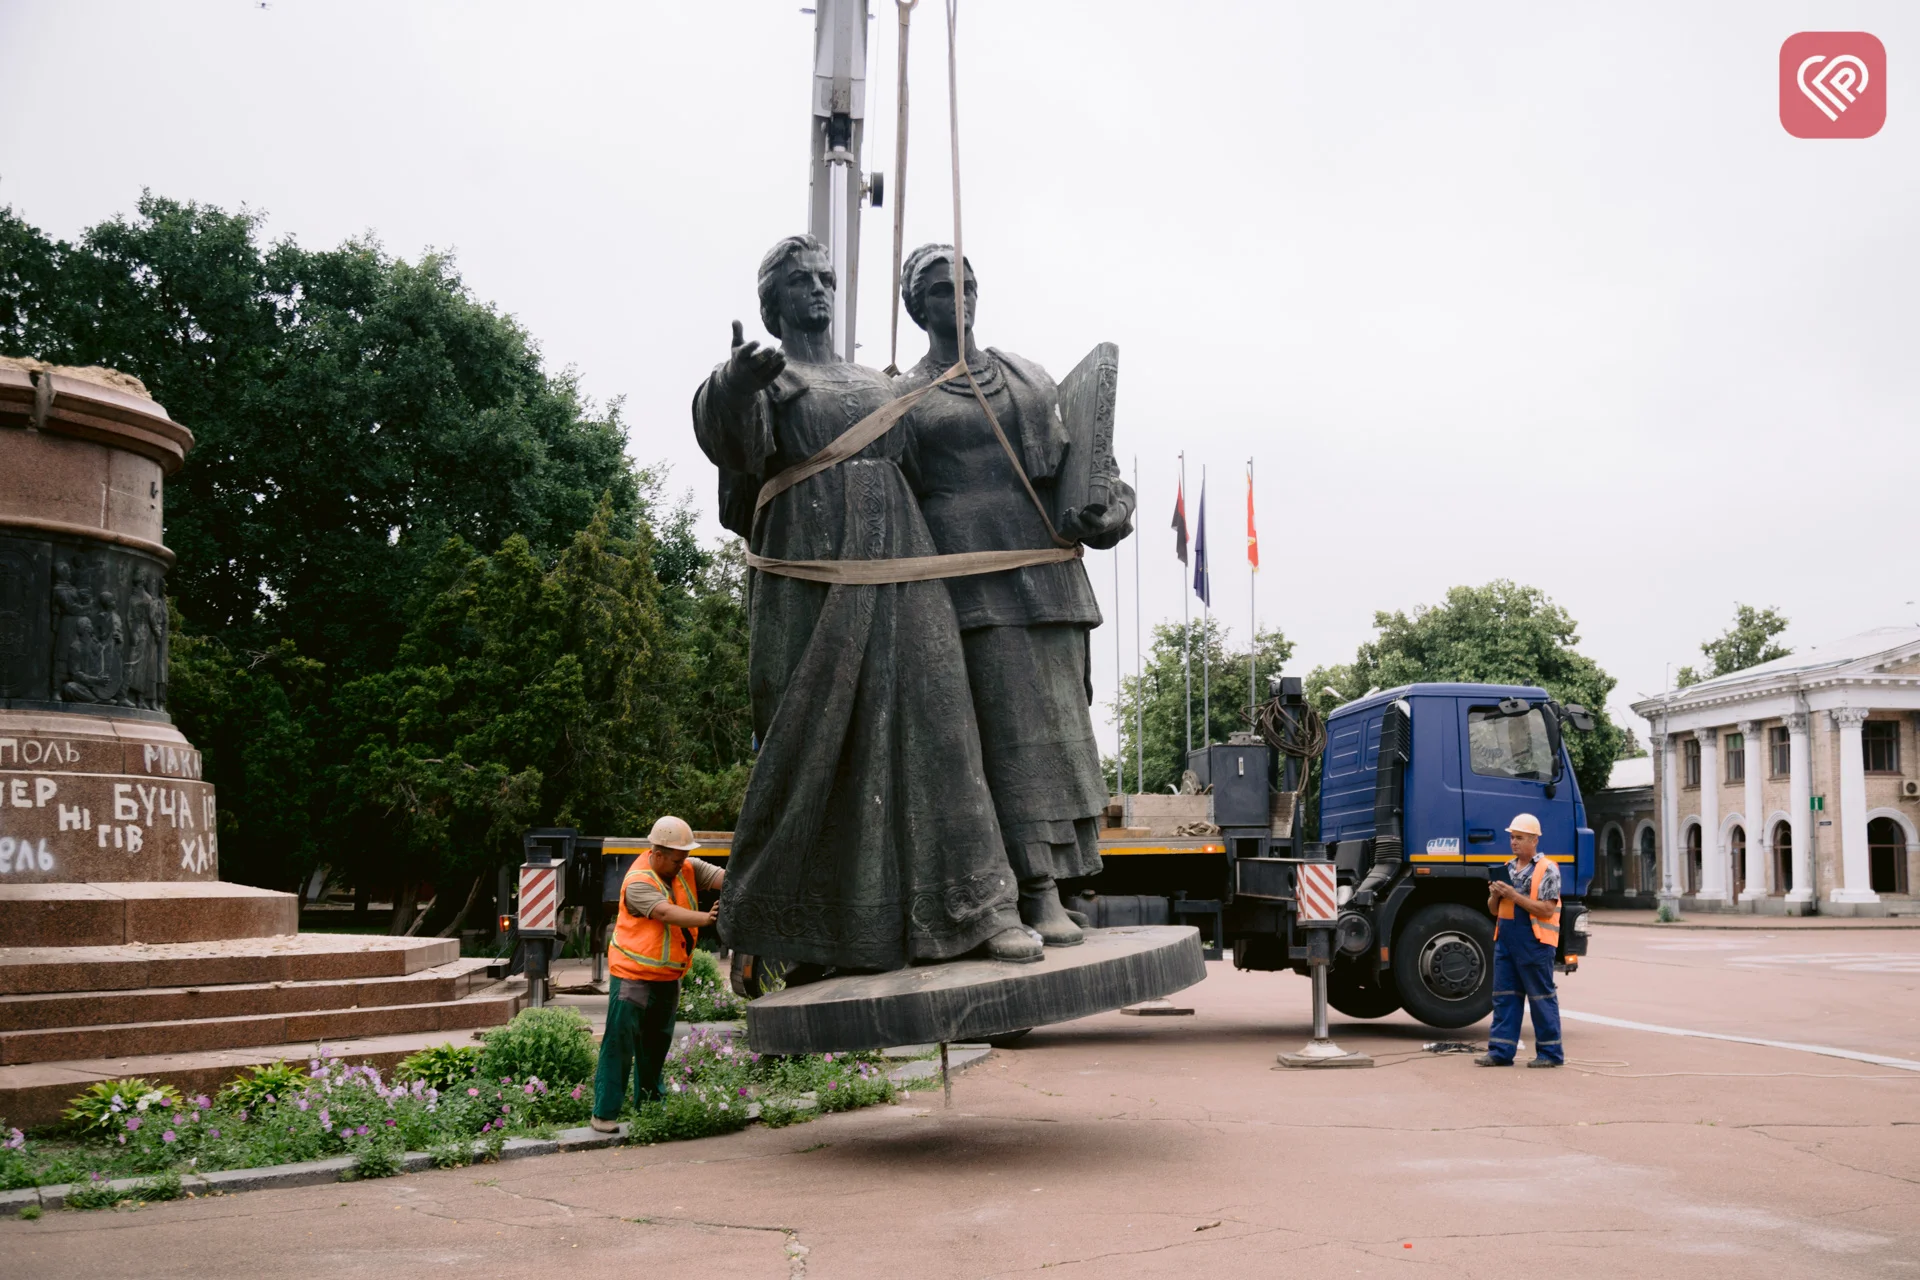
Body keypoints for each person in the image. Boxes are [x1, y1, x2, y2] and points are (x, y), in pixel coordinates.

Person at [690, 234, 1036, 974]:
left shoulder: (876, 383)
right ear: (772, 302)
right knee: (819, 750)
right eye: (800, 281)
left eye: (825, 278)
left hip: (907, 576)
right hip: (812, 590)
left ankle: (982, 910)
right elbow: (734, 456)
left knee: (944, 729)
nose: (818, 289)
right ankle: (811, 935)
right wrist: (735, 384)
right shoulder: (771, 381)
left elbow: (944, 472)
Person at [894, 244, 1135, 946]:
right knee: (997, 746)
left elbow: (1090, 470)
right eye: (941, 290)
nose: (958, 299)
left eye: (966, 285)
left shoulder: (1027, 377)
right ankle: (1014, 894)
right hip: (966, 589)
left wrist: (1109, 507)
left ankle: (1048, 887)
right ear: (919, 306)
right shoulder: (904, 396)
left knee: (1054, 742)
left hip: (1047, 583)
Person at [590, 815, 725, 1131]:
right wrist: (705, 919)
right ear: (658, 852)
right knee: (620, 1044)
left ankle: (651, 1109)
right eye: (678, 858)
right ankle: (604, 1114)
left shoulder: (686, 868)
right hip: (633, 978)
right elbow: (664, 912)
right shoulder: (639, 882)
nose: (684, 863)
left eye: (686, 857)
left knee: (655, 1046)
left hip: (667, 979)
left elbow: (721, 876)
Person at [1477, 813, 1565, 1068]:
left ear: (1534, 840)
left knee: (1540, 997)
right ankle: (1500, 1052)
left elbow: (1547, 910)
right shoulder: (1506, 867)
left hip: (1535, 942)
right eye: (1512, 838)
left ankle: (1550, 1054)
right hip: (1505, 941)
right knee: (1504, 997)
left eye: (1520, 838)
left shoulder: (1547, 869)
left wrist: (1513, 895)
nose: (1514, 842)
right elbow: (1493, 910)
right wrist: (1495, 895)